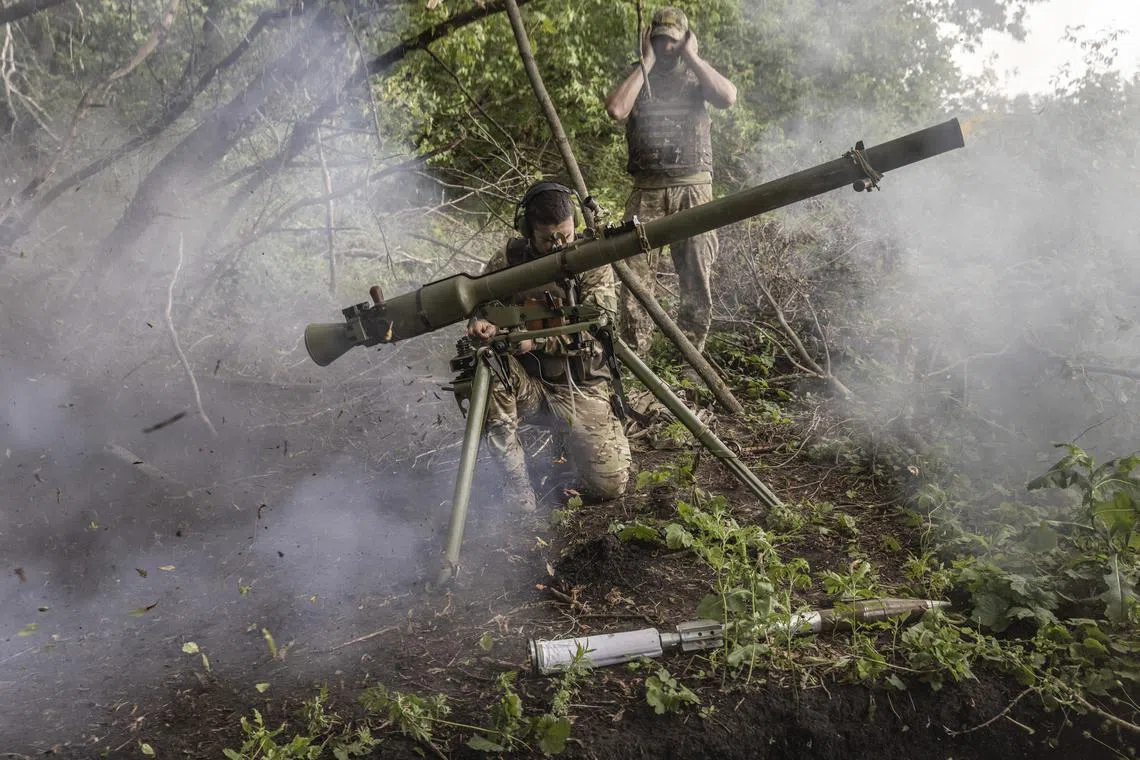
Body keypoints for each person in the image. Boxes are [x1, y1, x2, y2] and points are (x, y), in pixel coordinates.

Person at [467, 182, 632, 513]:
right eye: (547, 239)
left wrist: (534, 340)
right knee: (487, 365)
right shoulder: (508, 260)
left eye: (566, 236)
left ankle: (571, 447)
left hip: (580, 389)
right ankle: (516, 488)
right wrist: (478, 322)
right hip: (531, 387)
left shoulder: (592, 261)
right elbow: (480, 304)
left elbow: (598, 333)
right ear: (528, 232)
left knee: (609, 486)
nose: (558, 246)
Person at [604, 6, 737, 354]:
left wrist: (692, 57)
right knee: (635, 279)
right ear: (650, 39)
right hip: (647, 190)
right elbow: (617, 110)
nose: (666, 47)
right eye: (659, 39)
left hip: (693, 189)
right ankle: (636, 358)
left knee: (696, 277)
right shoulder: (638, 74)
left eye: (673, 41)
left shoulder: (697, 76)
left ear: (685, 41)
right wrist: (645, 63)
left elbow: (727, 98)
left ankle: (690, 360)